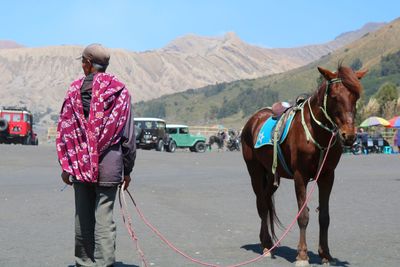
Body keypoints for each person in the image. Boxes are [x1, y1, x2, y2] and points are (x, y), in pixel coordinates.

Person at [56, 43, 136, 267]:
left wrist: (66, 167)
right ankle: (104, 264)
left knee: (83, 217)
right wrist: (127, 170)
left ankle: (84, 263)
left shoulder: (74, 90)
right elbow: (128, 137)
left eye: (83, 61)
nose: (82, 65)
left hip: (80, 165)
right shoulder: (120, 91)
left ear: (89, 64)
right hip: (109, 164)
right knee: (104, 219)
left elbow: (66, 132)